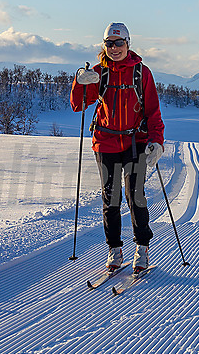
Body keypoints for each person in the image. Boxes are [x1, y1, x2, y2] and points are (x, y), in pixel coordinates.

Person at [71, 22, 165, 273]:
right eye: (109, 44)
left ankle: (142, 248)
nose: (114, 48)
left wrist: (157, 141)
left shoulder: (141, 72)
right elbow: (78, 105)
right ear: (104, 46)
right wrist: (81, 82)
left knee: (135, 195)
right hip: (106, 142)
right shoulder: (98, 72)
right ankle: (114, 249)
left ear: (128, 43)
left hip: (136, 142)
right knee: (111, 199)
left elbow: (153, 111)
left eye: (119, 43)